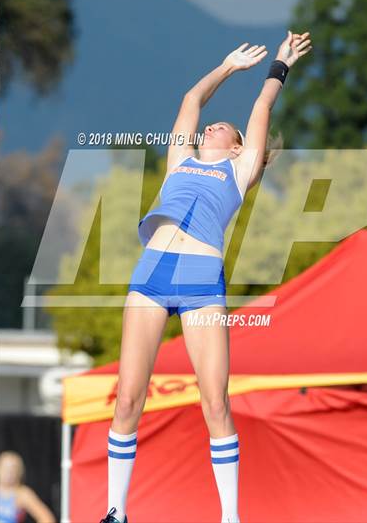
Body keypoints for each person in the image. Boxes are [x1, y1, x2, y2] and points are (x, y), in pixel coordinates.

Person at [100, 30, 312, 523]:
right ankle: (115, 511)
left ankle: (230, 517)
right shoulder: (180, 160)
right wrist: (227, 66)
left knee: (214, 401)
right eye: (211, 125)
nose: (212, 125)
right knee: (128, 397)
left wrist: (280, 66)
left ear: (241, 147)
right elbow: (192, 99)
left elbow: (261, 108)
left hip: (200, 285)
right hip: (150, 277)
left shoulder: (237, 173)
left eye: (223, 127)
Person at [0, 451, 56, 523]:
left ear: (19, 472)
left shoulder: (22, 494)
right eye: (5, 468)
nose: (8, 472)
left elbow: (47, 518)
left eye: (13, 468)